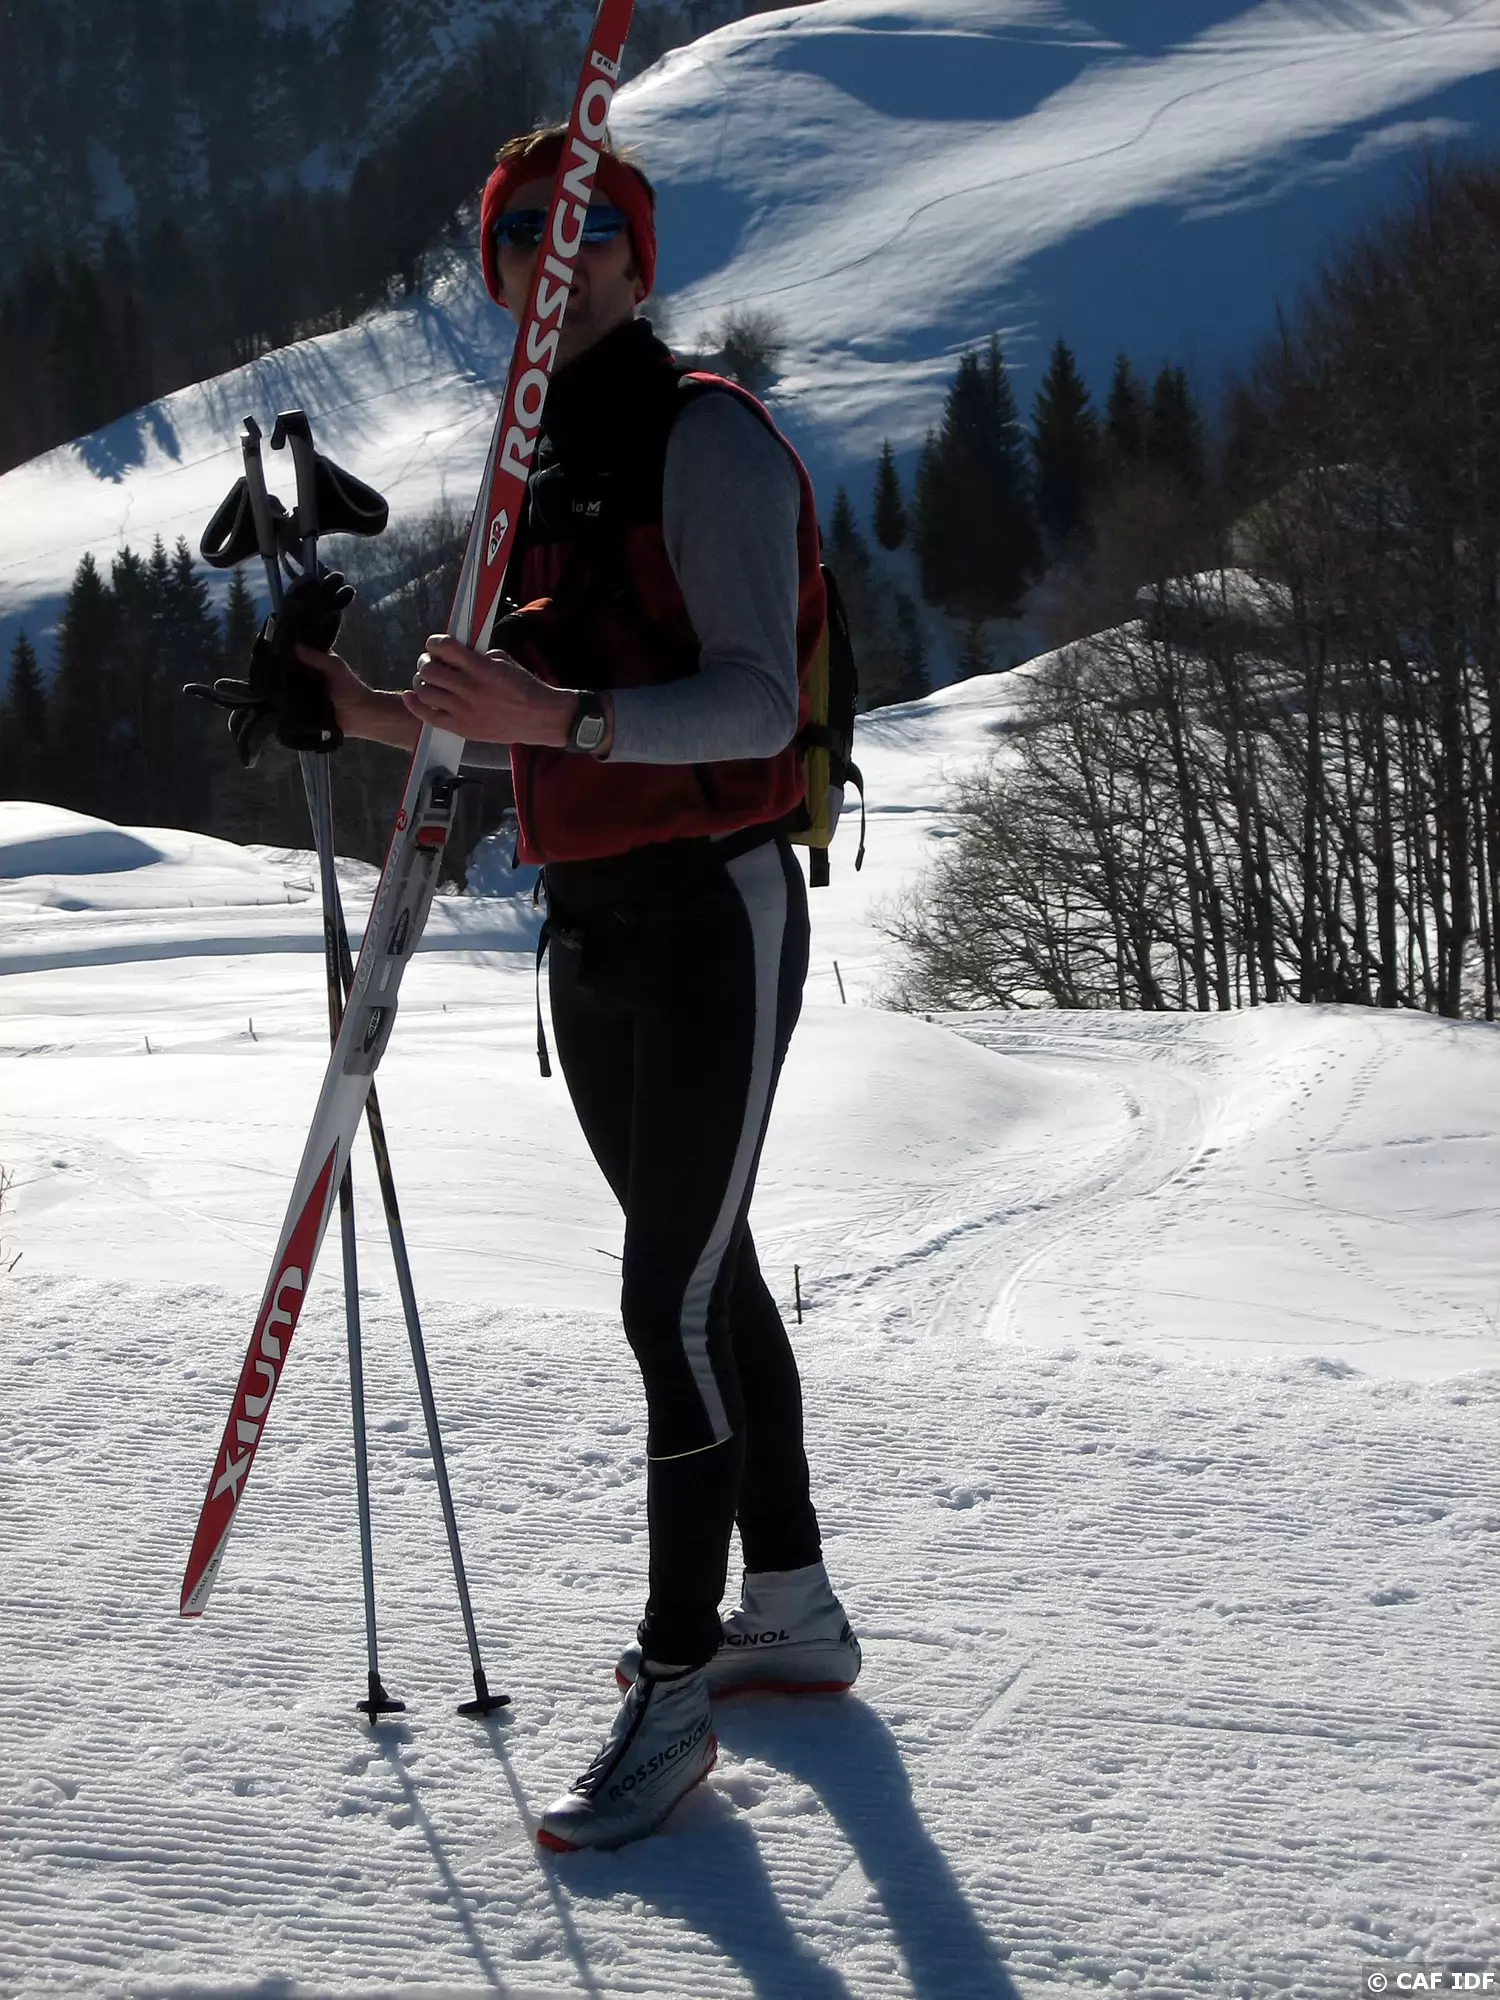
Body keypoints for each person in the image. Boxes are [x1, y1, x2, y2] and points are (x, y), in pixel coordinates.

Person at [299, 127, 860, 1854]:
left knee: (665, 1302)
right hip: (598, 925)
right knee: (709, 1275)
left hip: (714, 910)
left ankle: (676, 1688)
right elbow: (523, 728)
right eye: (523, 233)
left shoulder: (708, 437)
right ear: (495, 273)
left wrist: (561, 718)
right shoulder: (540, 465)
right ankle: (794, 1611)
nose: (558, 252)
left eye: (590, 228)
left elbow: (756, 702)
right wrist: (369, 712)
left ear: (636, 258)